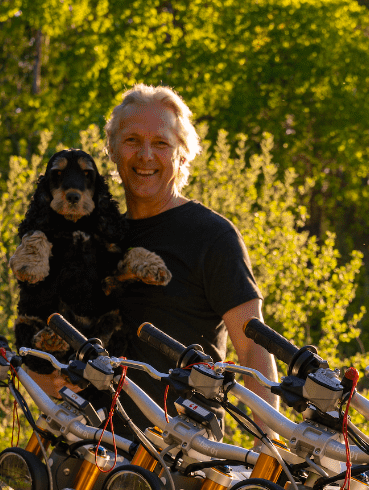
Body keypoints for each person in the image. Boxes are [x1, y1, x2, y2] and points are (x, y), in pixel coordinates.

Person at [103, 84, 280, 427]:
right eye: (132, 141)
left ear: (183, 153)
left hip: (182, 450)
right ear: (111, 148)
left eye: (161, 143)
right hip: (94, 440)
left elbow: (253, 350)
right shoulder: (100, 237)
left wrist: (268, 445)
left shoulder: (212, 236)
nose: (146, 155)